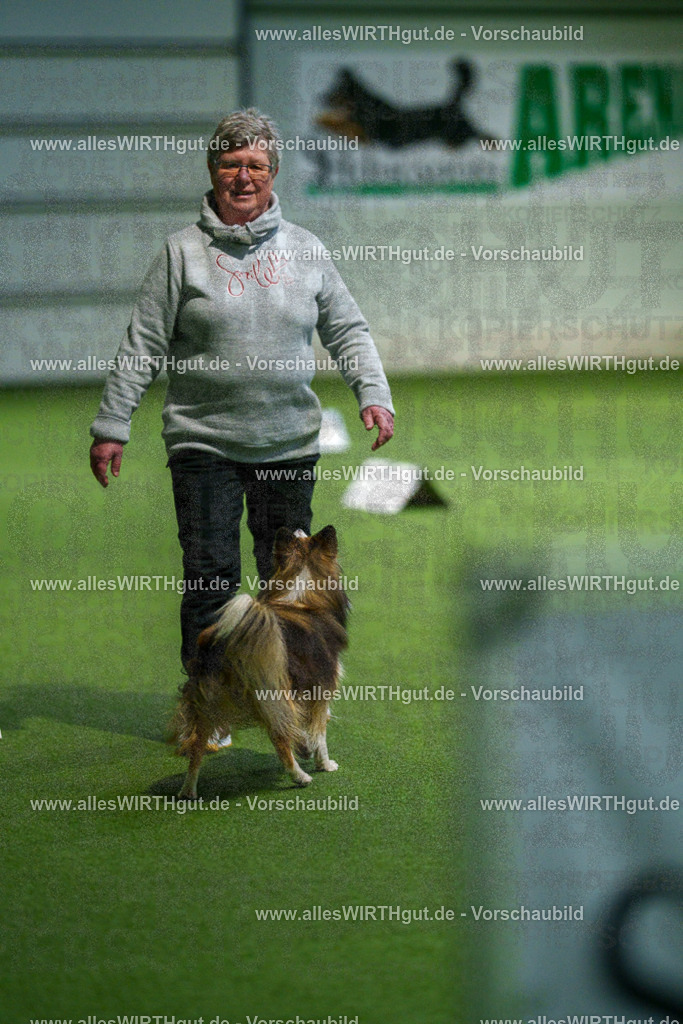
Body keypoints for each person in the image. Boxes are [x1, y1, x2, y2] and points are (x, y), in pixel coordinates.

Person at [89, 108, 394, 680]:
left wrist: (373, 393)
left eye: (255, 164)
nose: (243, 176)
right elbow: (142, 343)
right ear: (213, 170)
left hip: (287, 446)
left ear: (273, 172)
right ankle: (211, 699)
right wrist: (111, 426)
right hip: (204, 445)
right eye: (231, 163)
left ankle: (287, 697)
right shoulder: (181, 253)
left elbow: (348, 330)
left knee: (289, 583)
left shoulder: (306, 249)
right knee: (211, 577)